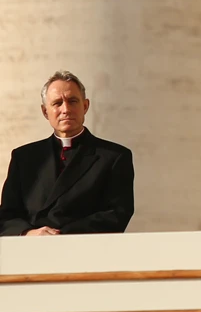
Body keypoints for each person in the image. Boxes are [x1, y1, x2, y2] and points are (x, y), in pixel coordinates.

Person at [0, 71, 134, 236]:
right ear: (45, 112)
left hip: (85, 251)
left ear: (85, 106)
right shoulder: (24, 157)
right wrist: (29, 233)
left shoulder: (114, 157)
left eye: (72, 101)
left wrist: (61, 235)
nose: (66, 109)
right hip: (32, 252)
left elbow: (116, 214)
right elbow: (7, 216)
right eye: (57, 103)